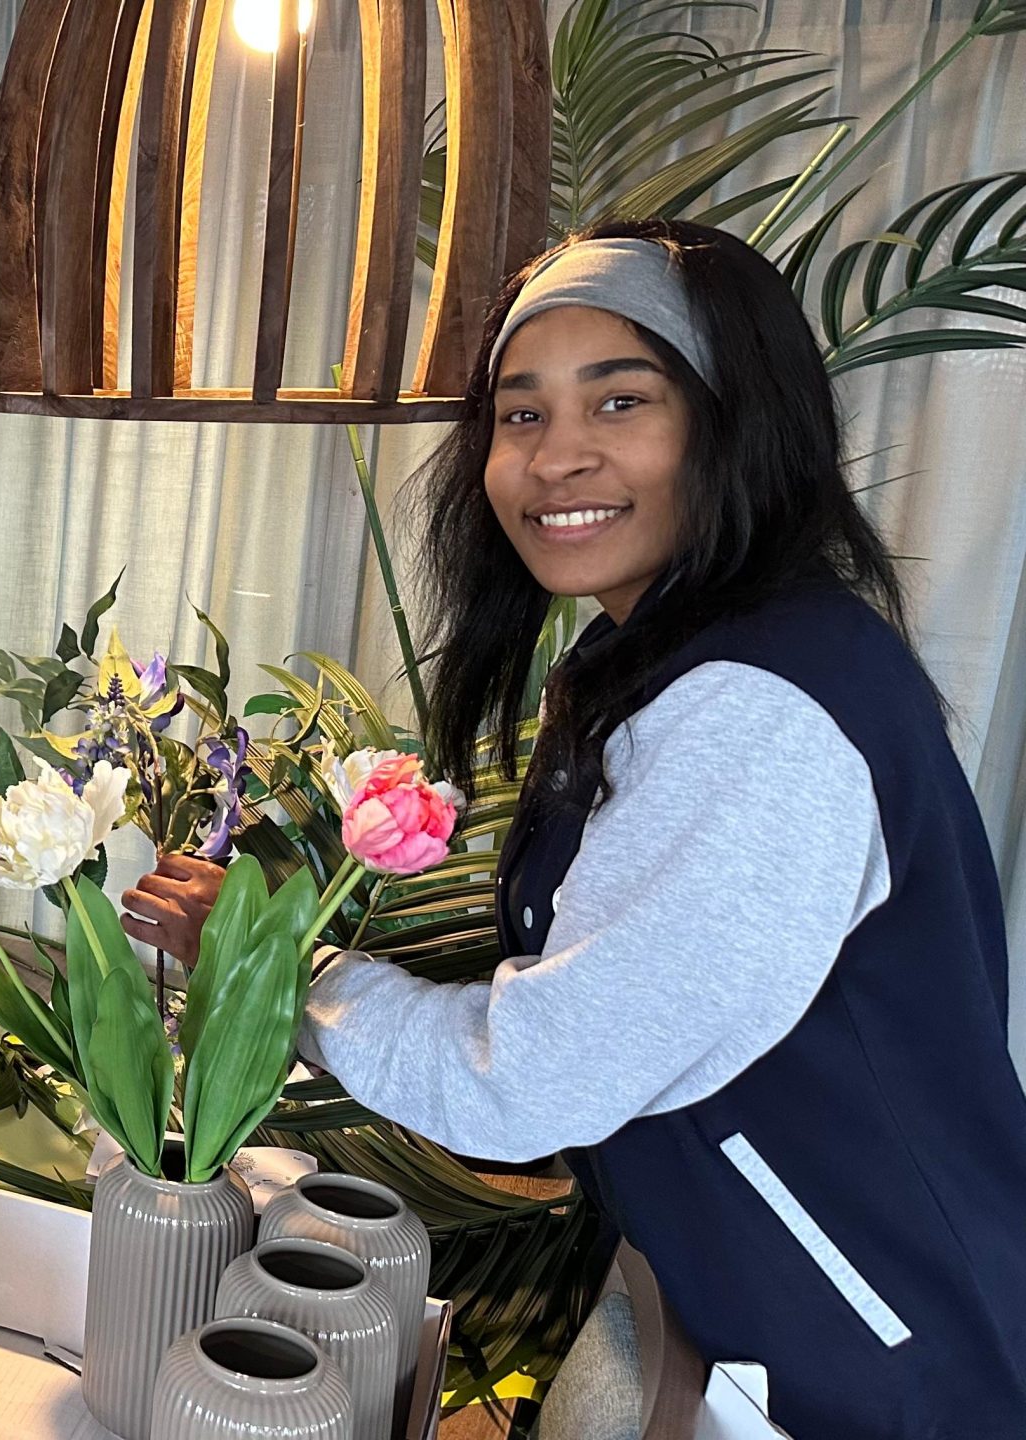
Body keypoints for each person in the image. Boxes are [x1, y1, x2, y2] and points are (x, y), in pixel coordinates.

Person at [126, 220, 1026, 1435]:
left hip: (884, 1357)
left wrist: (280, 975)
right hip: (774, 1301)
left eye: (621, 401)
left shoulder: (756, 711)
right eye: (521, 413)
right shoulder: (658, 656)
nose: (556, 458)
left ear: (735, 419)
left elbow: (527, 1081)